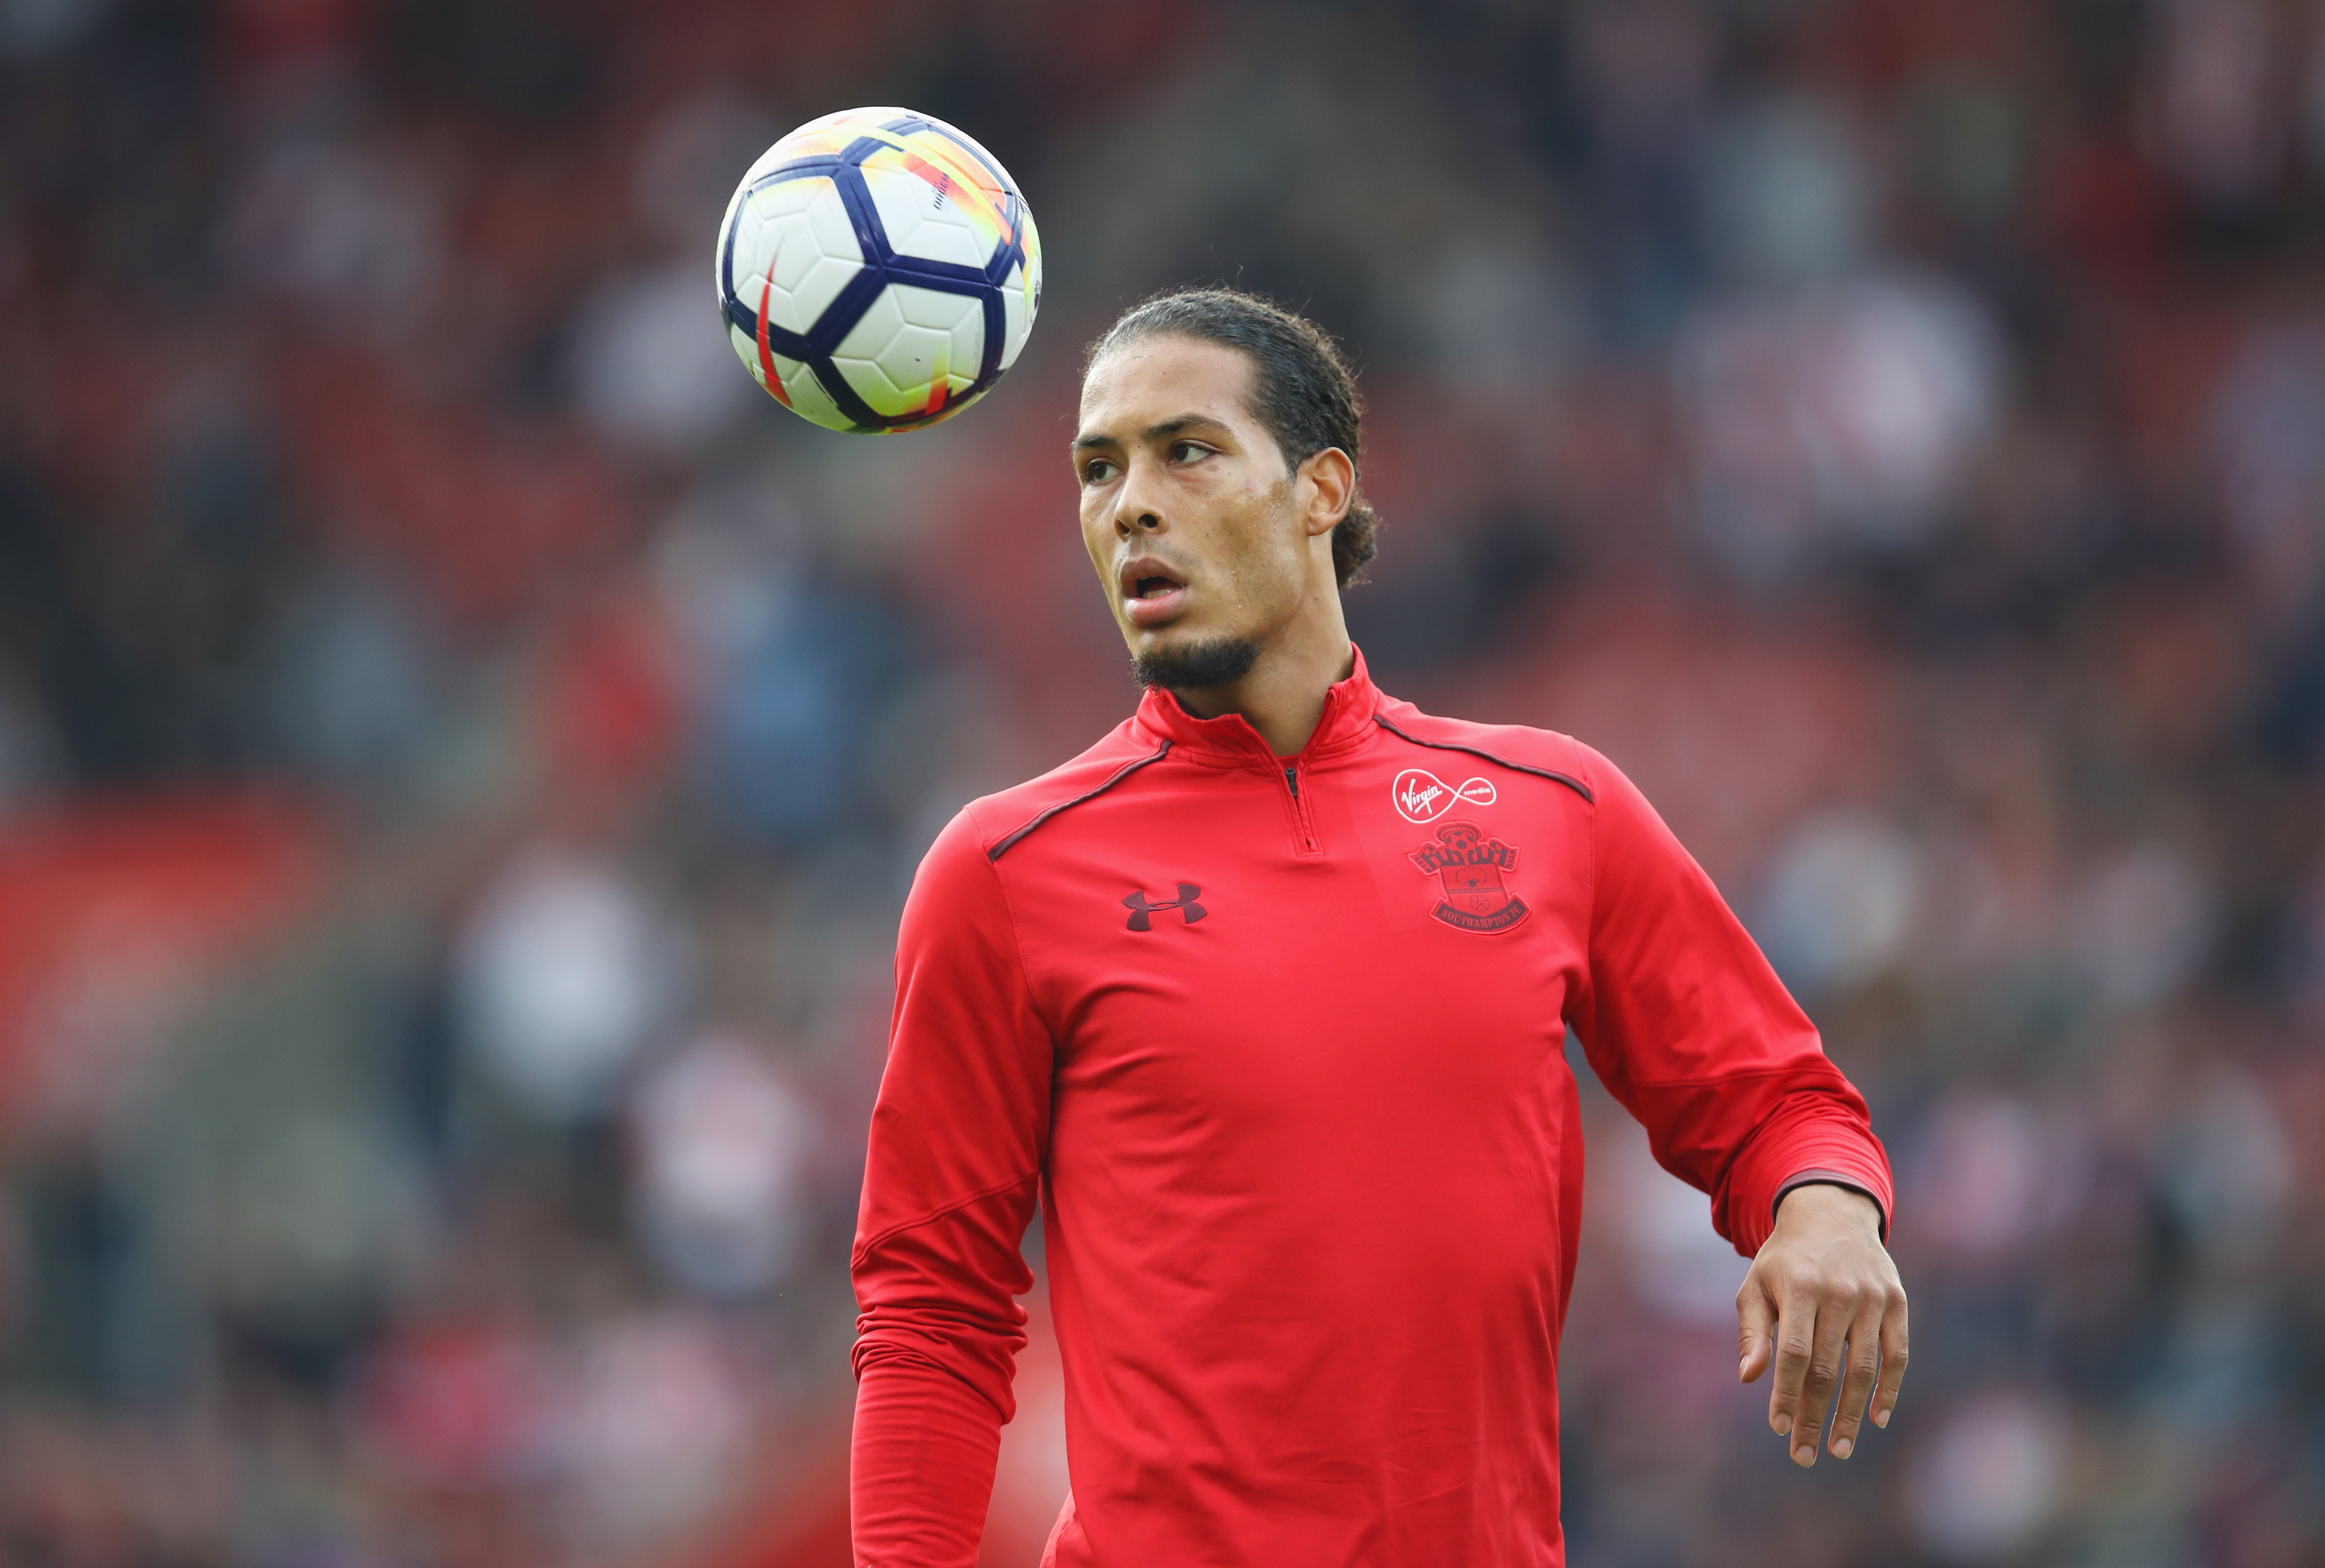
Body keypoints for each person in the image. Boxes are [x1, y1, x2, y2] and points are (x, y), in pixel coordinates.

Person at [849, 287, 1907, 1567]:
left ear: (1320, 489)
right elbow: (932, 1310)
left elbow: (1772, 1102)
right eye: (1096, 468)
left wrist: (1826, 1216)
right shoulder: (1006, 869)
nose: (1128, 501)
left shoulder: (1550, 808)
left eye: (1185, 451)